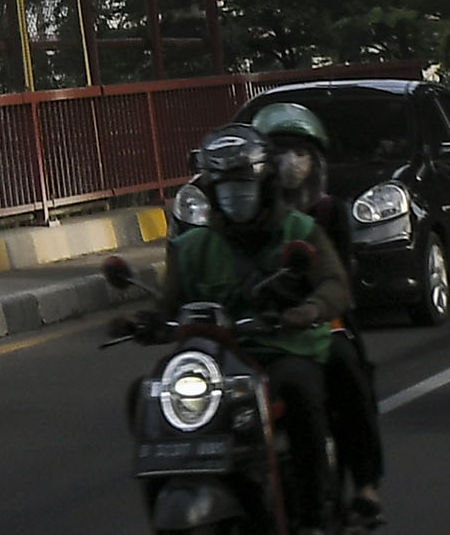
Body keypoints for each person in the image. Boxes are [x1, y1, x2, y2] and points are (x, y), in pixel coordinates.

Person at [123, 126, 360, 523]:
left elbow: (335, 286)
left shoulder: (301, 231)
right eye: (226, 190)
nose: (236, 199)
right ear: (214, 193)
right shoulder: (193, 247)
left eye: (244, 188)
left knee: (300, 390)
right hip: (213, 361)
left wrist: (309, 309)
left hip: (282, 348)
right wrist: (142, 322)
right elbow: (170, 305)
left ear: (265, 186)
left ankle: (315, 516)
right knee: (144, 395)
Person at [246, 100, 389, 526]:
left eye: (301, 153)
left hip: (322, 322)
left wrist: (311, 306)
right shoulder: (245, 214)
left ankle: (365, 484)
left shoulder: (328, 212)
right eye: (280, 152)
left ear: (317, 160)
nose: (291, 162)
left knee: (349, 372)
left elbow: (338, 280)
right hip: (254, 326)